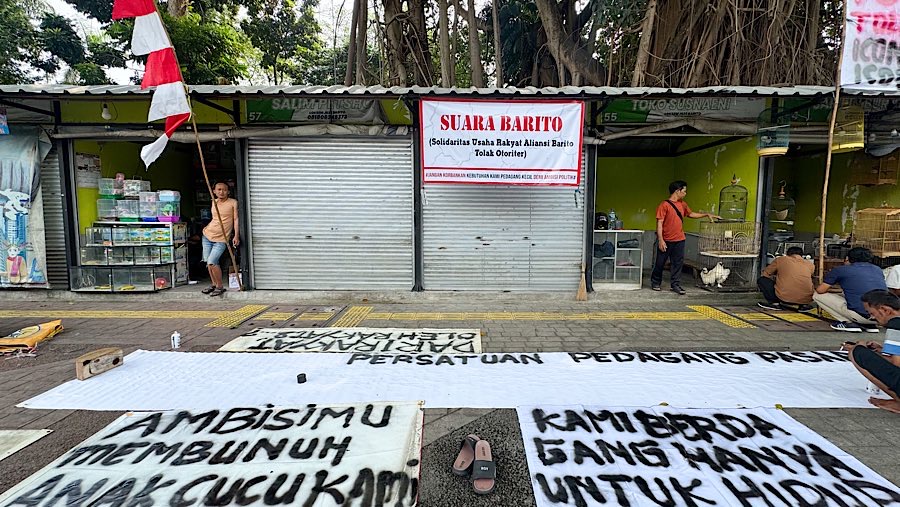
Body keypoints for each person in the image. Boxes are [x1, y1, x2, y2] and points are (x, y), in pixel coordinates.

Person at [650, 180, 720, 295]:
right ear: (677, 191)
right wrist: (661, 240)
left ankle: (675, 285)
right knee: (660, 262)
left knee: (677, 263)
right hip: (666, 239)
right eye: (684, 191)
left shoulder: (683, 204)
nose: (685, 193)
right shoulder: (664, 205)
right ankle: (656, 282)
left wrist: (706, 214)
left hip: (680, 239)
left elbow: (691, 214)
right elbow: (659, 224)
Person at [842, 290, 900, 414]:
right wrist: (881, 350)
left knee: (857, 353)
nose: (872, 318)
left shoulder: (895, 324)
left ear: (885, 310)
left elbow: (897, 364)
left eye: (871, 313)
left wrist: (862, 348)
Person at [814, 246, 887, 332]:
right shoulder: (877, 269)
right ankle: (868, 325)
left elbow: (820, 290)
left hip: (861, 315)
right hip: (882, 317)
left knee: (817, 295)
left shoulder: (840, 270)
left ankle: (847, 322)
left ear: (848, 258)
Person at [201, 182, 239, 297]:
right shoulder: (214, 202)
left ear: (228, 191)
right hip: (207, 235)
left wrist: (236, 235)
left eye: (224, 190)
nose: (221, 192)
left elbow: (236, 219)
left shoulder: (233, 203)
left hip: (222, 238)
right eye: (219, 189)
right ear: (214, 191)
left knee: (213, 261)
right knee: (208, 263)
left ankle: (220, 286)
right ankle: (213, 284)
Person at [756, 247, 815, 311]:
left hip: (784, 297)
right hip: (806, 299)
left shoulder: (781, 260)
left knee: (762, 280)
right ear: (801, 255)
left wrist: (777, 277)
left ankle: (775, 303)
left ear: (787, 253)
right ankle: (804, 305)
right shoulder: (810, 264)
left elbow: (765, 273)